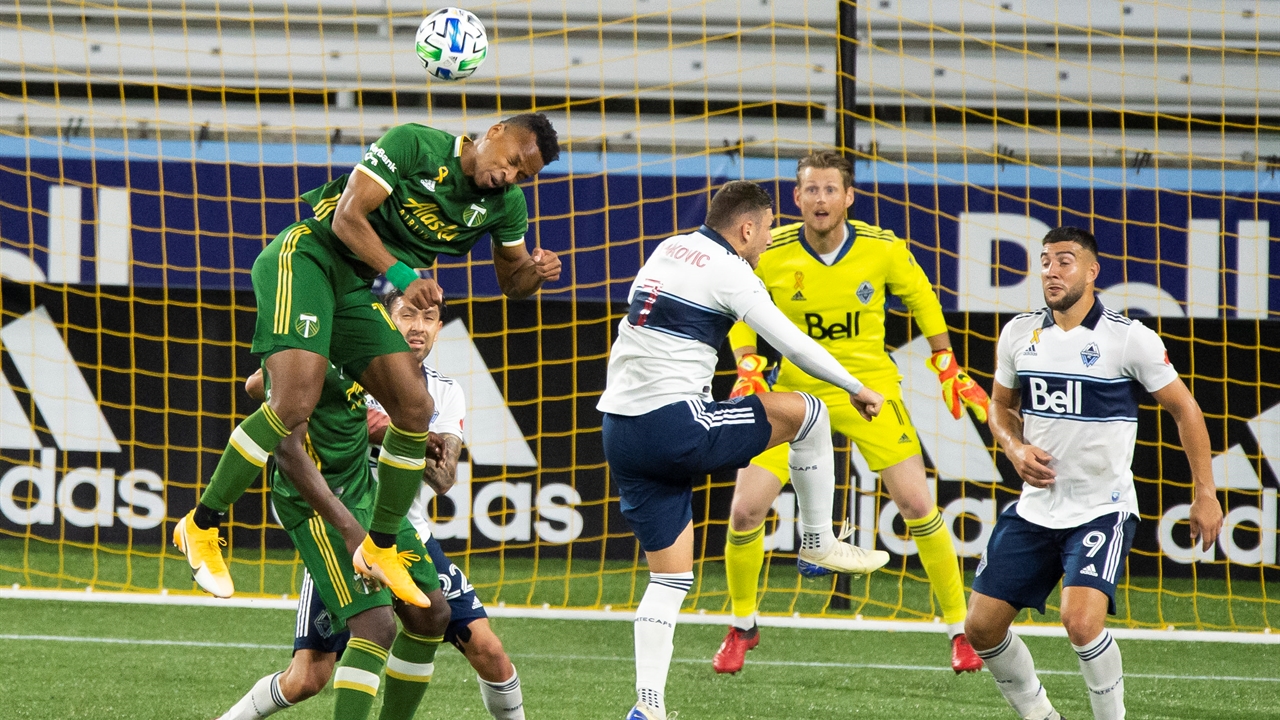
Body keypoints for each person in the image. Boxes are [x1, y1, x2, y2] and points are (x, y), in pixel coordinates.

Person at [174, 114, 562, 607]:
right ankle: (201, 525)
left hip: (354, 287)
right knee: (294, 403)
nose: (510, 177)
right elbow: (346, 217)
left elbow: (513, 283)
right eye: (510, 163)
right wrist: (404, 274)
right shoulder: (414, 144)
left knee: (415, 408)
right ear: (495, 132)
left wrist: (536, 272)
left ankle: (378, 548)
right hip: (308, 258)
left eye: (523, 176)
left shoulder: (505, 206)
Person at [597, 181, 891, 720]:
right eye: (770, 226)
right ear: (747, 227)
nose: (771, 237)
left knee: (669, 580)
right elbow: (793, 343)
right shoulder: (731, 269)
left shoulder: (668, 247)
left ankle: (648, 708)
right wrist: (856, 386)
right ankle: (818, 542)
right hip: (674, 425)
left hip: (620, 430)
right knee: (811, 412)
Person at [714, 151, 989, 674]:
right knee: (746, 510)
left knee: (915, 503)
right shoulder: (771, 251)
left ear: (849, 197)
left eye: (830, 190)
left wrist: (946, 360)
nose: (820, 199)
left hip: (869, 388)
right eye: (810, 190)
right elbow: (738, 307)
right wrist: (748, 364)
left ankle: (961, 630)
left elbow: (924, 298)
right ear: (796, 199)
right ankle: (742, 625)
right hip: (794, 390)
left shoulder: (883, 249)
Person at [219, 290, 526, 720]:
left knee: (475, 642)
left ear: (440, 328)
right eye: (407, 314)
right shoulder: (351, 358)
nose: (417, 326)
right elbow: (258, 385)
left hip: (405, 530)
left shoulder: (443, 392)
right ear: (385, 319)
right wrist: (334, 409)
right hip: (338, 517)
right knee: (309, 675)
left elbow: (443, 478)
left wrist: (401, 433)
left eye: (429, 317)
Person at [965, 226, 1224, 720]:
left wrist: (1205, 492)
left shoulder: (1128, 339)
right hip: (1036, 508)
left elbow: (1186, 410)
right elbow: (999, 406)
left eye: (1065, 261)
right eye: (1045, 261)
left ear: (1091, 271)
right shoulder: (1019, 332)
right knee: (979, 628)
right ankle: (1040, 715)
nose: (1051, 271)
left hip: (1101, 509)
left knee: (1080, 622)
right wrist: (1014, 448)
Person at [229, 354, 451, 720]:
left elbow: (255, 384)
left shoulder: (355, 333)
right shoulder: (301, 334)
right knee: (373, 630)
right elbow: (286, 451)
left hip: (364, 491)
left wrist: (400, 427)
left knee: (432, 615)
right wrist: (349, 531)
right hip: (316, 505)